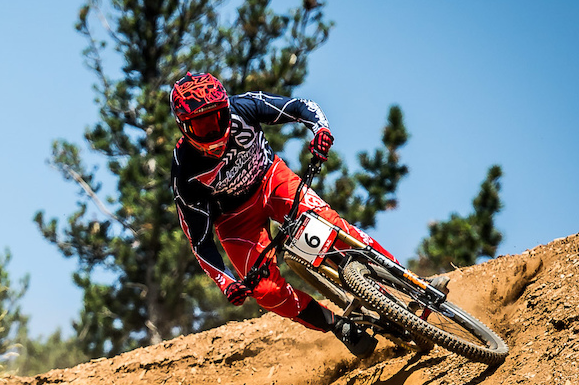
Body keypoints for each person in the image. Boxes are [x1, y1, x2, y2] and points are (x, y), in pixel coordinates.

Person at [169, 71, 415, 358]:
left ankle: (411, 283)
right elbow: (199, 241)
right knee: (267, 293)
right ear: (183, 128)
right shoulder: (184, 172)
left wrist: (320, 130)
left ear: (227, 106)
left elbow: (301, 106)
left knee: (334, 228)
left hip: (272, 181)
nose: (213, 130)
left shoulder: (244, 107)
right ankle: (337, 325)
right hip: (235, 222)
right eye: (201, 125)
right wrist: (227, 282)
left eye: (218, 117)